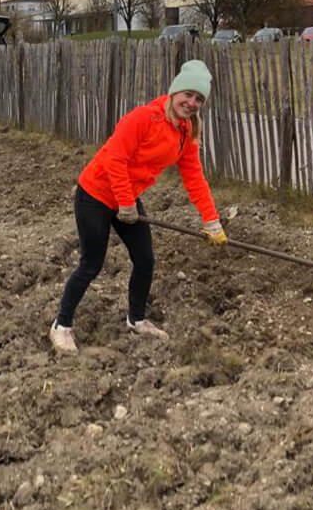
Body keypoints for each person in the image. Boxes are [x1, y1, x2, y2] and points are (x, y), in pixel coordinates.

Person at [49, 59, 228, 354]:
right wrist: (125, 202)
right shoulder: (143, 118)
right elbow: (114, 159)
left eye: (199, 99)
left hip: (127, 197)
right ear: (174, 91)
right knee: (91, 264)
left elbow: (194, 177)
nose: (192, 102)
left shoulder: (186, 132)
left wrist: (211, 221)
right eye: (188, 94)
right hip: (95, 193)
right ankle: (61, 325)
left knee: (145, 260)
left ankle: (137, 319)